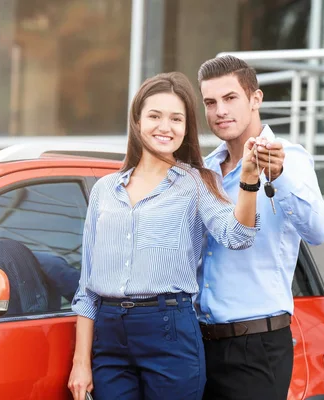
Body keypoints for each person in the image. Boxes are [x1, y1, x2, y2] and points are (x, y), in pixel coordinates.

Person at [67, 71, 265, 400]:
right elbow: (87, 288)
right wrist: (80, 362)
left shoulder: (197, 183)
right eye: (155, 116)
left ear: (186, 128)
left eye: (176, 119)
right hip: (110, 336)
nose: (165, 127)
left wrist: (249, 181)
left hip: (170, 330)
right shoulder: (105, 190)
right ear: (137, 120)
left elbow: (238, 236)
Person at [196, 55, 324, 399]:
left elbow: (319, 232)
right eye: (210, 102)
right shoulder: (205, 171)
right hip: (199, 344)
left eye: (230, 98)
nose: (220, 111)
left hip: (256, 347)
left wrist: (279, 176)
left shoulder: (291, 158)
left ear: (255, 99)